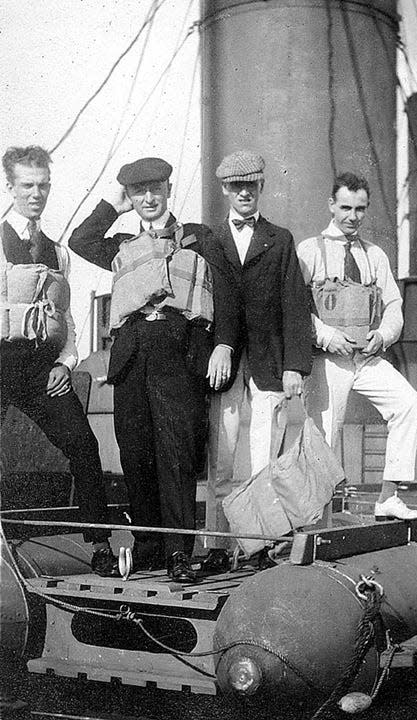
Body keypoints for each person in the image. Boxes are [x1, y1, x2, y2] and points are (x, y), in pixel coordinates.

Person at [69, 157, 238, 582]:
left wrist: (223, 343)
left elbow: (228, 294)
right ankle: (147, 546)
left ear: (167, 189)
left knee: (177, 456)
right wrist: (113, 205)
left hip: (179, 353)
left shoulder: (201, 238)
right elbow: (80, 239)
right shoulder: (121, 245)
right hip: (131, 356)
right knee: (136, 454)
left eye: (155, 189)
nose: (148, 198)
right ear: (130, 196)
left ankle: (179, 551)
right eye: (138, 192)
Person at [0, 145, 120, 576]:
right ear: (10, 187)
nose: (37, 194)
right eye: (28, 185)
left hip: (40, 369)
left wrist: (65, 364)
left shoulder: (57, 252)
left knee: (84, 445)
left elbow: (66, 321)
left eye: (43, 185)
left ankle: (100, 544)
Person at [204, 150, 312, 571]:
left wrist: (295, 366)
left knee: (264, 455)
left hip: (270, 360)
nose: (244, 192)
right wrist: (219, 346)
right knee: (223, 453)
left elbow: (294, 305)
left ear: (262, 186)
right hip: (224, 361)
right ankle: (216, 545)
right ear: (225, 190)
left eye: (251, 184)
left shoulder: (280, 239)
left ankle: (262, 546)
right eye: (235, 186)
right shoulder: (210, 240)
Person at [296, 172, 417, 520]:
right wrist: (326, 335)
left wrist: (382, 335)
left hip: (365, 358)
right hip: (328, 360)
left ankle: (389, 497)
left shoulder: (375, 255)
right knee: (324, 434)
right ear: (331, 206)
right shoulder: (310, 250)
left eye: (361, 209)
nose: (353, 216)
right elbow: (294, 307)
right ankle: (314, 519)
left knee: (409, 403)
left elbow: (394, 306)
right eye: (346, 208)